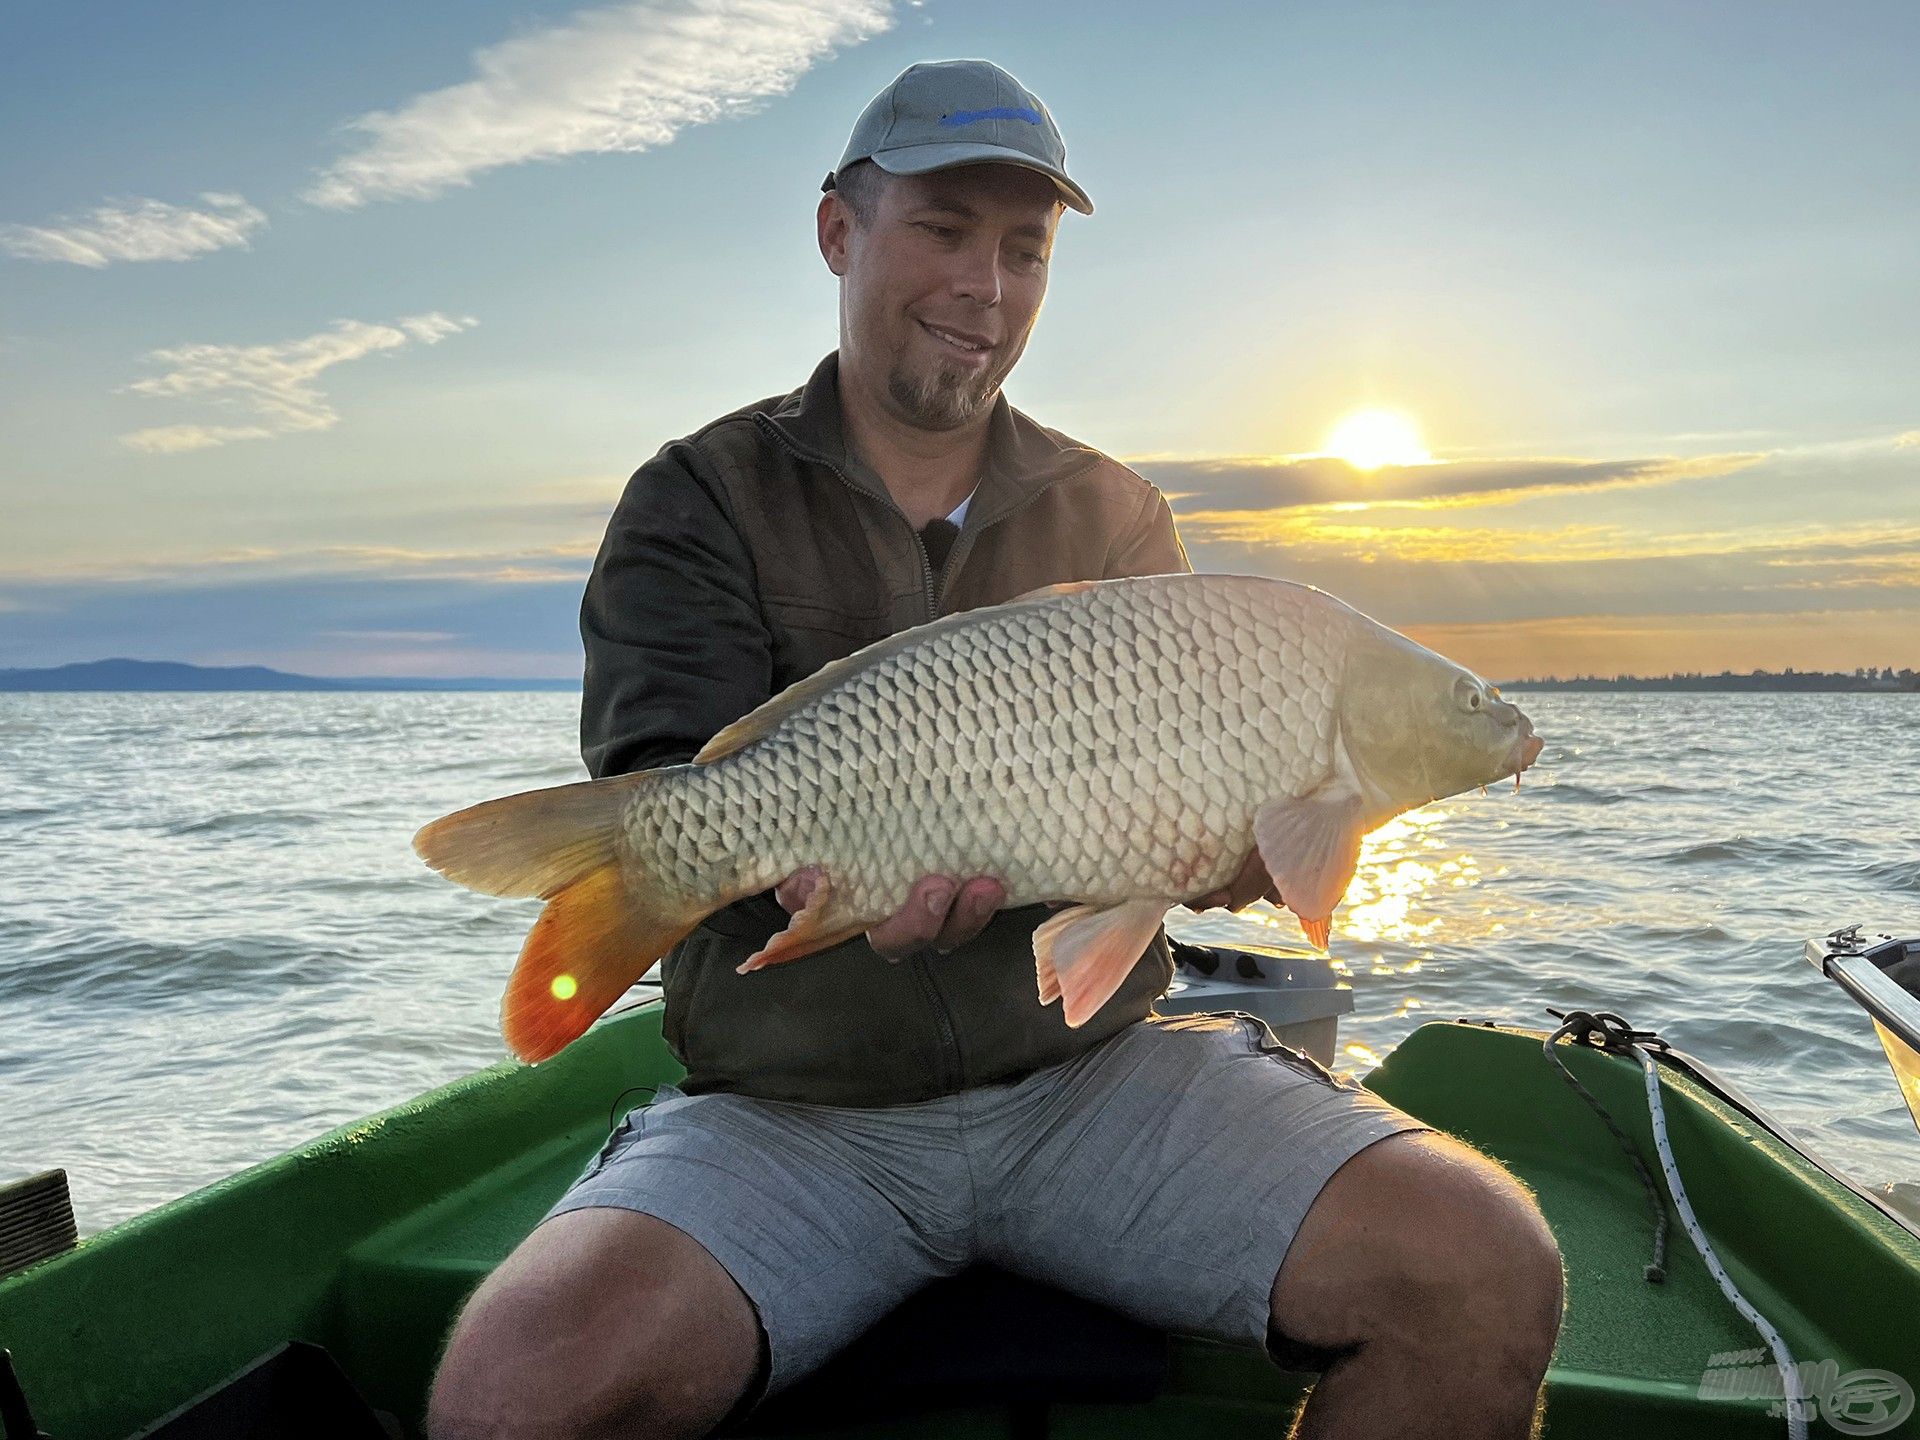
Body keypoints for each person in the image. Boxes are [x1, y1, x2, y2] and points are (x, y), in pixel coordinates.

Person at [428, 60, 1564, 1440]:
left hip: (1093, 1079)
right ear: (841, 230)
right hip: (795, 1112)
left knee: (1488, 1269)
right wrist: (826, 906)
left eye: (1023, 250)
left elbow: (1195, 874)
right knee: (515, 1393)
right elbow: (671, 765)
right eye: (944, 230)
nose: (986, 283)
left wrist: (1240, 860)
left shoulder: (1117, 512)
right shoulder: (698, 498)